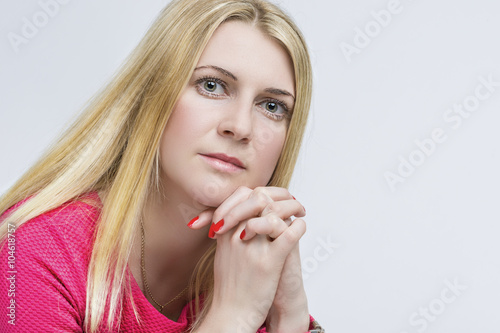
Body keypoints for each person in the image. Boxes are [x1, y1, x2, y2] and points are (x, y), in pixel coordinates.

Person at [0, 0, 323, 332]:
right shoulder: (32, 249)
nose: (240, 127)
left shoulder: (251, 274)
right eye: (211, 85)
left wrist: (290, 318)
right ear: (153, 93)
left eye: (272, 106)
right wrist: (234, 317)